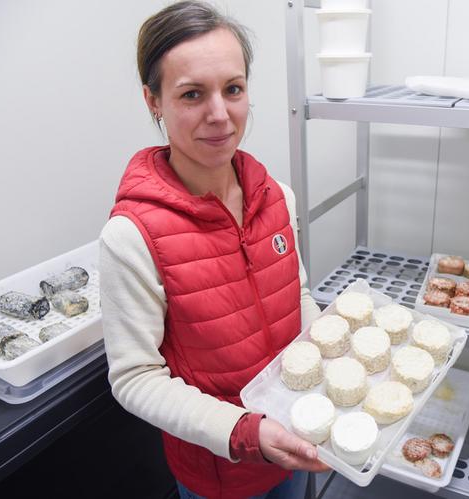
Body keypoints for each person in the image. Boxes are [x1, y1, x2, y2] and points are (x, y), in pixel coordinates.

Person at [98, 2, 329, 498]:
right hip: (221, 472)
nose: (220, 115)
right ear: (153, 100)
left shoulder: (277, 198)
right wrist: (245, 433)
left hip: (296, 440)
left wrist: (330, 365)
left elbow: (298, 297)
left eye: (233, 89)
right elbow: (135, 377)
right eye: (192, 94)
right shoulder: (132, 237)